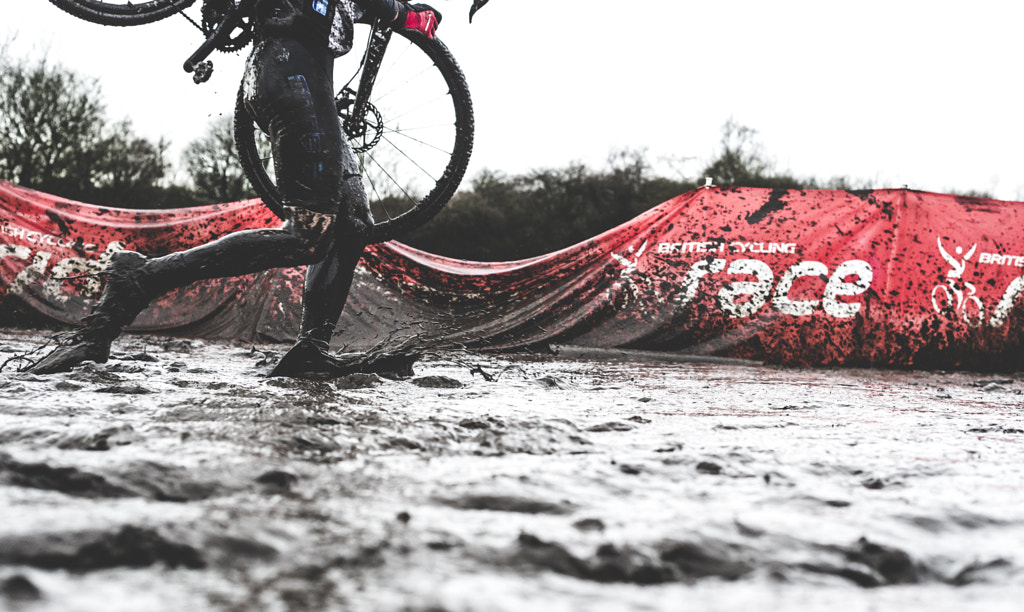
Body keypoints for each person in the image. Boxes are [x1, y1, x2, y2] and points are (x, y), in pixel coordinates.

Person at [27, 0, 441, 376]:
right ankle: (140, 278)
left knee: (352, 224)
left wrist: (397, 9)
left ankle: (311, 349)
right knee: (309, 236)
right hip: (292, 77)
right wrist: (405, 15)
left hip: (295, 78)